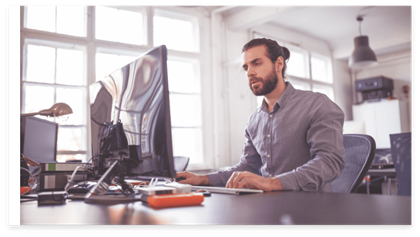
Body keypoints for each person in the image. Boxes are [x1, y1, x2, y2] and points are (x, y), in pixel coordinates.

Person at [176, 38, 345, 192]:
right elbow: (248, 167)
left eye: (256, 63)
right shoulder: (254, 120)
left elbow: (330, 161)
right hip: (267, 206)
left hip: (310, 209)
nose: (249, 72)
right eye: (246, 67)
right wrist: (202, 179)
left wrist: (272, 183)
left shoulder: (316, 104)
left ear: (278, 64)